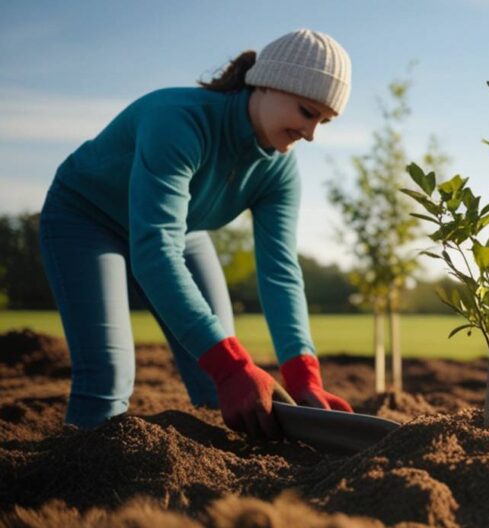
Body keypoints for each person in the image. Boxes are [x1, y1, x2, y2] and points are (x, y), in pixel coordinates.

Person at [39, 29, 354, 439]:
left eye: (324, 122)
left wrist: (303, 375)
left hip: (180, 231)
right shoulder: (178, 120)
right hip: (87, 220)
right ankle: (71, 483)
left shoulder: (280, 169)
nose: (311, 133)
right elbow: (154, 250)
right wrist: (233, 367)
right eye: (306, 112)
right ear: (267, 83)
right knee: (109, 374)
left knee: (216, 375)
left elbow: (280, 272)